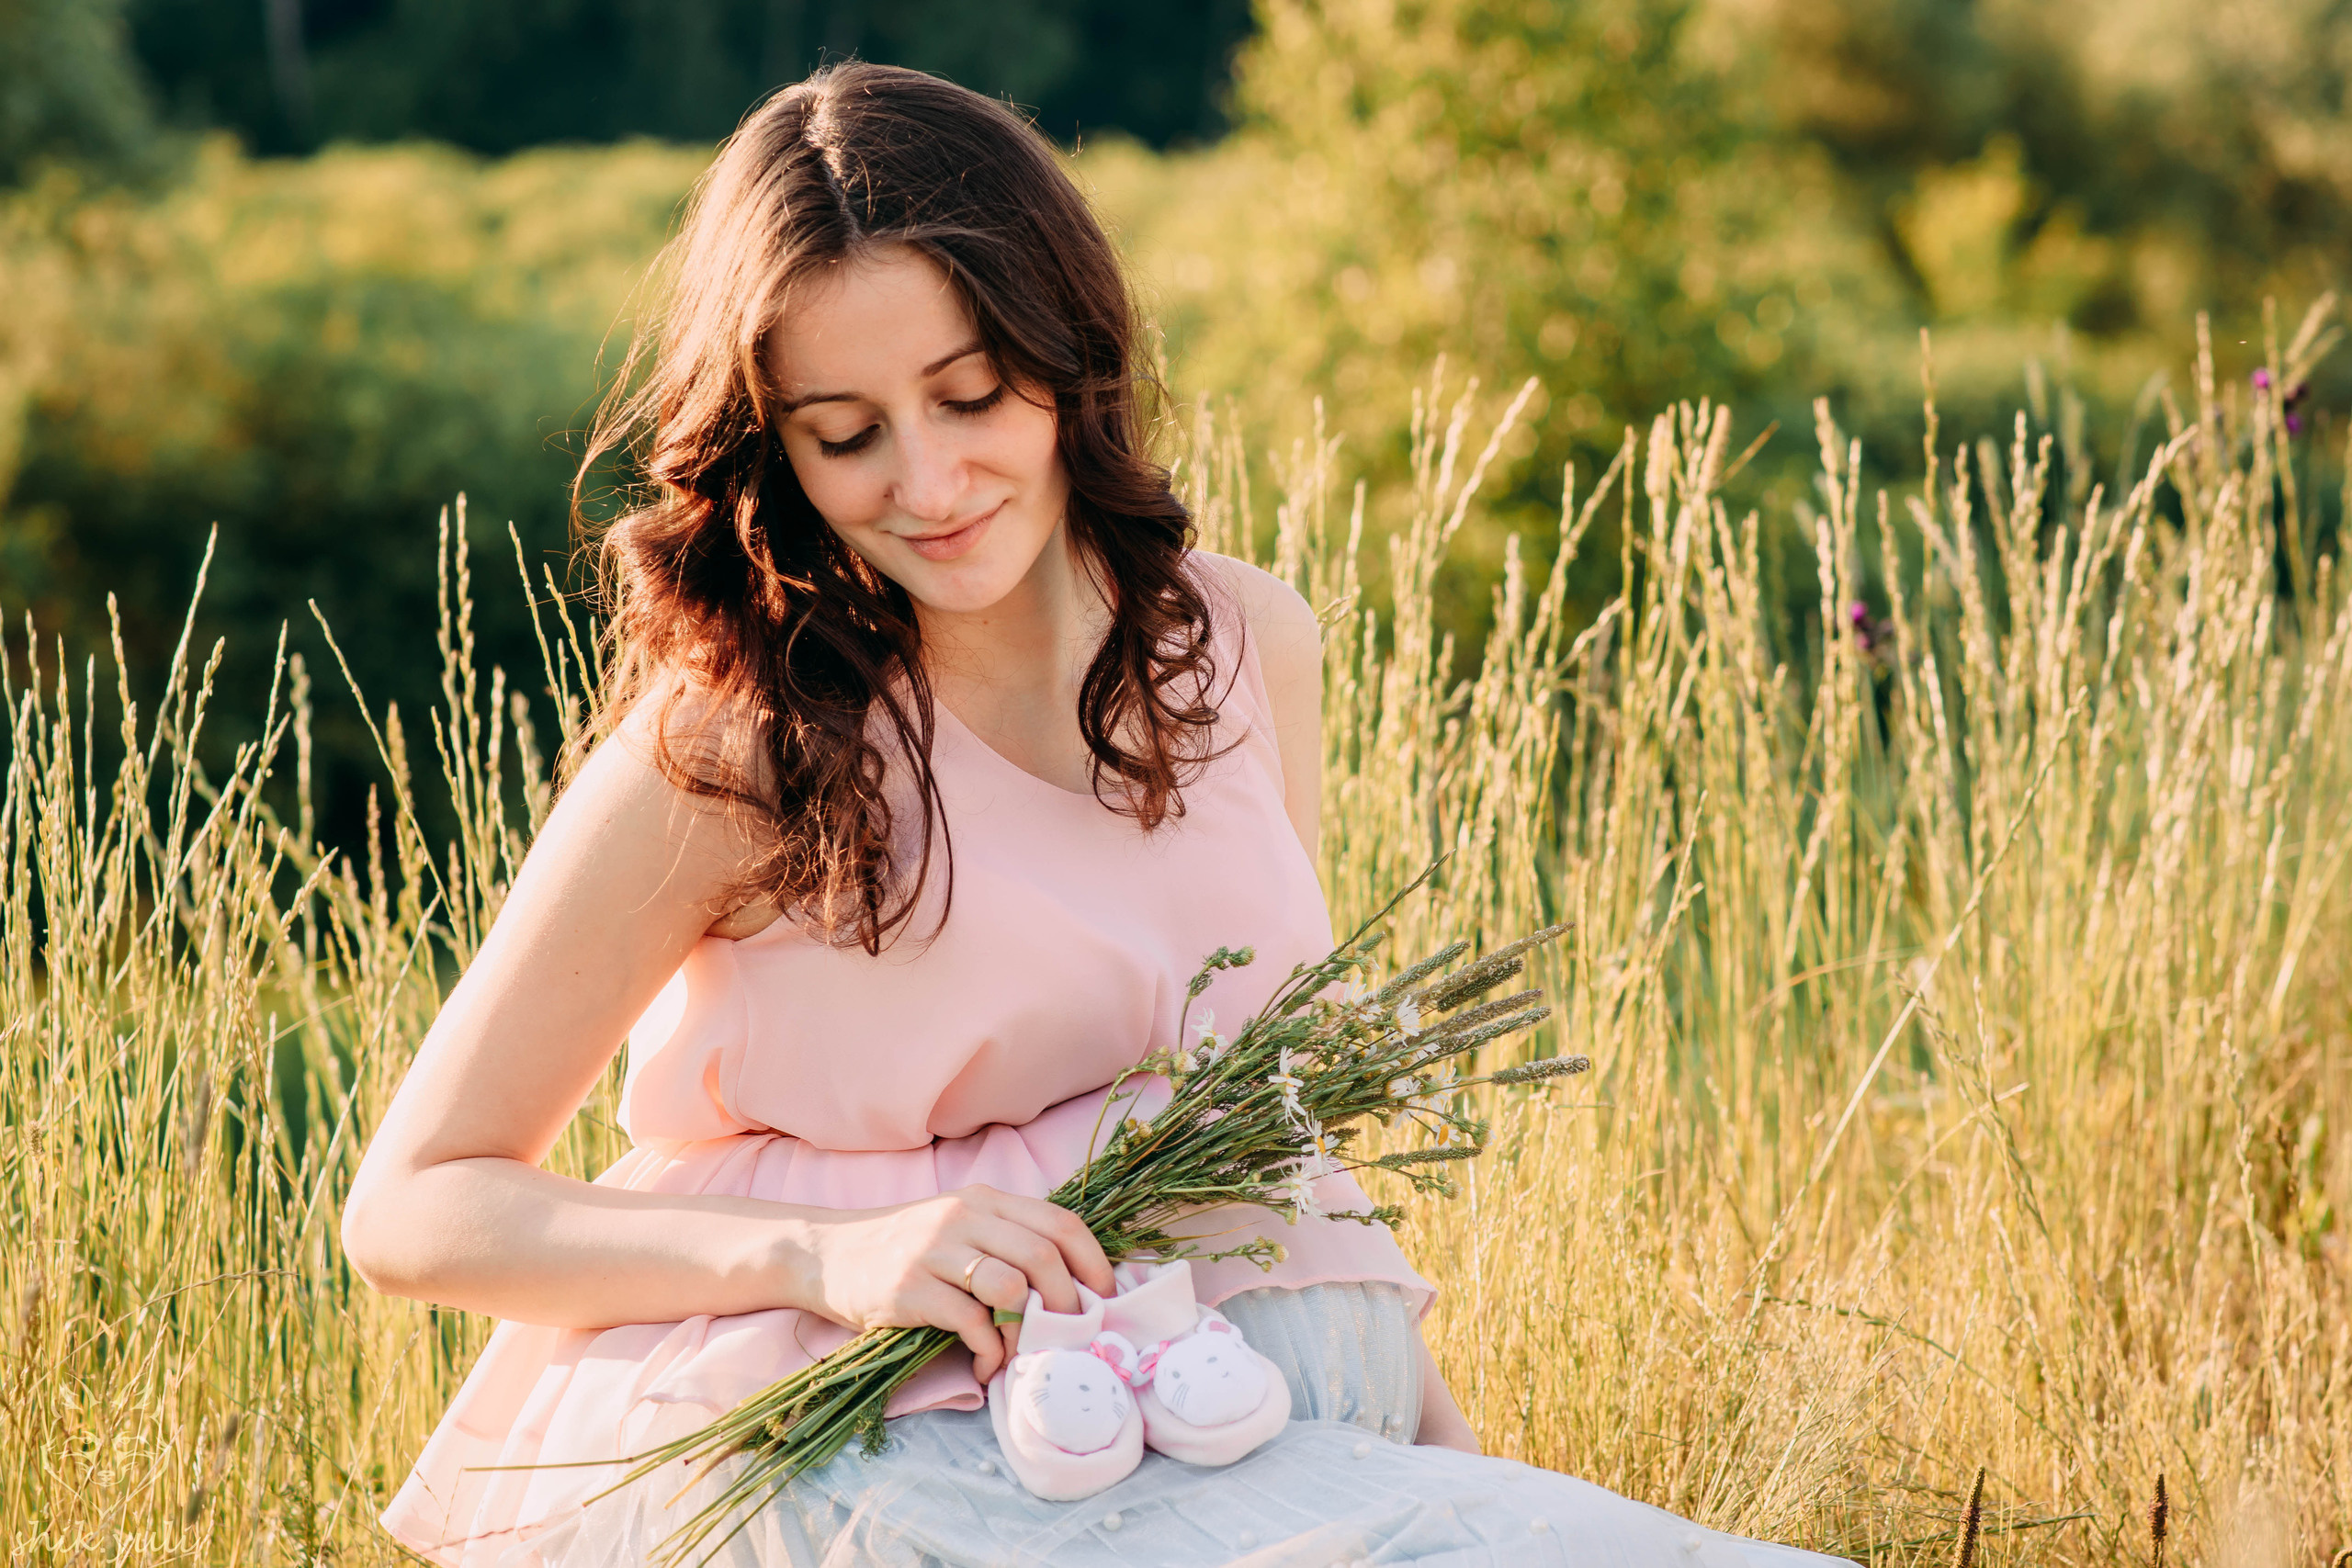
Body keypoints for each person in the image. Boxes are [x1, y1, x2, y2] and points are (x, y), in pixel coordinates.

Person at [345, 62, 1850, 1567]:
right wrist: (829, 1254)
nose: (927, 482)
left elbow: (1267, 1127)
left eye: (971, 394)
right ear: (773, 446)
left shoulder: (1250, 644)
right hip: (890, 1459)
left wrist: (1462, 1467)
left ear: (1072, 355)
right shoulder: (737, 747)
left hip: (1273, 1440)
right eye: (843, 431)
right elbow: (414, 1205)